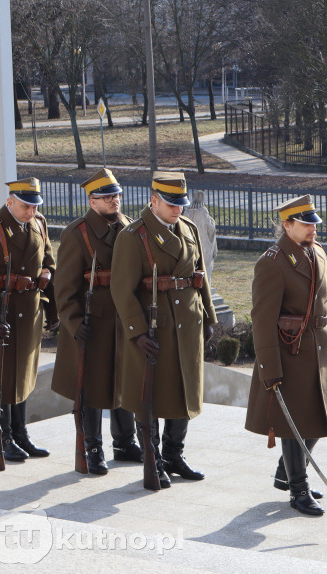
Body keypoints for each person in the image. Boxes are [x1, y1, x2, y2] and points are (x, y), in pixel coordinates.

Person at [111, 171, 216, 490]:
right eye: (171, 204)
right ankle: (153, 459)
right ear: (153, 200)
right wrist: (137, 332)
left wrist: (209, 316)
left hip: (187, 326)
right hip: (155, 331)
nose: (178, 209)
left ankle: (174, 454)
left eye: (180, 203)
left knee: (183, 393)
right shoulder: (133, 236)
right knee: (153, 397)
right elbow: (121, 289)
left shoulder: (189, 228)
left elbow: (200, 277)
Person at [245, 196, 327, 516]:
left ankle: (286, 471)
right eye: (306, 223)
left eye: (314, 222)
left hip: (319, 349)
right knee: (293, 424)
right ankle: (298, 490)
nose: (313, 227)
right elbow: (261, 319)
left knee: (319, 419)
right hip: (291, 352)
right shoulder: (271, 262)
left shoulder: (318, 252)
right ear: (287, 225)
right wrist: (269, 367)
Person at [52, 169, 142, 475]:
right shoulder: (76, 234)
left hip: (122, 321)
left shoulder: (129, 227)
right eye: (107, 197)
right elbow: (64, 290)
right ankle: (92, 447)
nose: (114, 201)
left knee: (122, 382)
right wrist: (76, 324)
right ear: (92, 201)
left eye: (116, 195)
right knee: (91, 388)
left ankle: (125, 443)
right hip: (92, 324)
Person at [0, 177, 57, 462]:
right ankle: (4, 437)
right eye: (25, 206)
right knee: (3, 379)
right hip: (1, 316)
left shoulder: (38, 223)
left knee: (23, 377)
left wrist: (52, 309)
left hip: (29, 314)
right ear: (10, 201)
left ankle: (21, 435)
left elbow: (48, 263)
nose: (31, 211)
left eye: (35, 206)